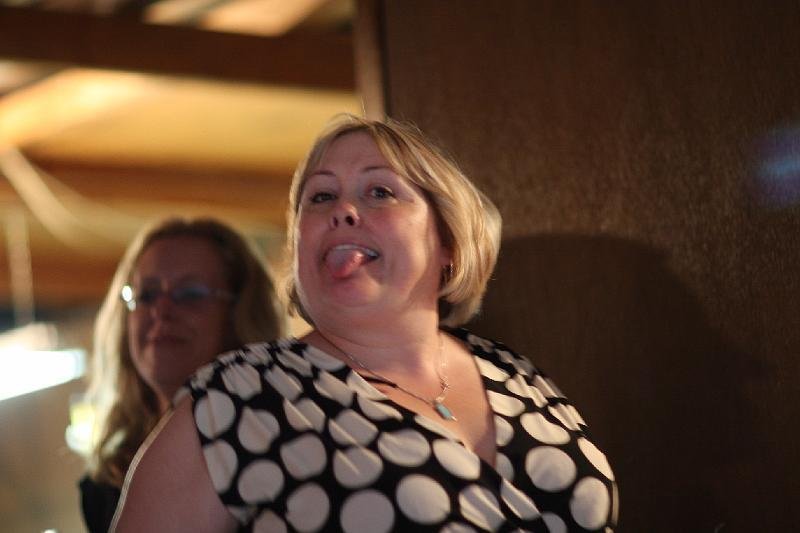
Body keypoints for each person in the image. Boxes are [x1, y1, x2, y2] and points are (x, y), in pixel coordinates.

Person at [113, 115, 618, 532]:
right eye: (320, 197)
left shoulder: (516, 374)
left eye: (379, 191)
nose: (345, 211)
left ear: (447, 240)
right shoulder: (237, 401)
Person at [79, 217, 284, 533]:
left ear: (239, 314)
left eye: (190, 293)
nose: (161, 310)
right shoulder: (104, 483)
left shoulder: (278, 447)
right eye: (147, 295)